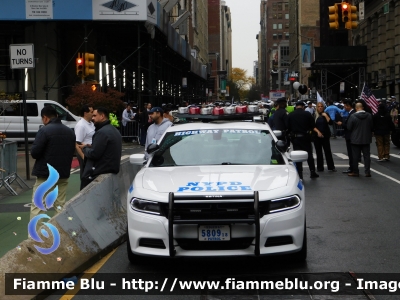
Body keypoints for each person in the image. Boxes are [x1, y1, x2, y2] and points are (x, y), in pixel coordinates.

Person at [30, 106, 75, 220]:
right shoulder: (69, 131)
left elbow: (35, 152)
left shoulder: (44, 131)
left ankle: (36, 236)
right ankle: (59, 233)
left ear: (45, 118)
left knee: (38, 205)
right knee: (60, 206)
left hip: (46, 174)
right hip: (63, 174)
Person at [78, 107, 122, 189]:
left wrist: (84, 149)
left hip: (98, 173)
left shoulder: (102, 132)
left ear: (102, 116)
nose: (92, 118)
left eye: (95, 115)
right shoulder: (114, 131)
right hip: (109, 172)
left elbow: (94, 154)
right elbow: (106, 149)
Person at [287, 101, 320, 179]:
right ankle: (312, 171)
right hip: (306, 137)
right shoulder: (307, 114)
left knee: (298, 156)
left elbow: (288, 127)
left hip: (295, 138)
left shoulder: (291, 115)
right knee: (309, 155)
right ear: (303, 107)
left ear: (296, 106)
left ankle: (300, 173)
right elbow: (312, 125)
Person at [346, 102, 374, 177]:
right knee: (367, 156)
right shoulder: (369, 116)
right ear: (363, 107)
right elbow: (371, 126)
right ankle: (367, 172)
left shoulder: (353, 116)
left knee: (355, 156)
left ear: (356, 108)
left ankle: (355, 171)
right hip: (366, 138)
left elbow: (349, 127)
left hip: (355, 139)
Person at [75, 105, 95, 185]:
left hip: (90, 151)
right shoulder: (81, 125)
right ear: (85, 113)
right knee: (85, 175)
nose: (93, 114)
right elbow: (77, 143)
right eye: (91, 112)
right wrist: (84, 158)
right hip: (84, 153)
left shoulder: (91, 123)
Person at [313, 102, 336, 172]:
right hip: (317, 135)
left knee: (327, 151)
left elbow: (331, 123)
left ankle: (331, 167)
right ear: (317, 107)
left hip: (325, 135)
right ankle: (320, 167)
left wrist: (326, 116)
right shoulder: (314, 115)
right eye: (319, 106)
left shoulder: (326, 114)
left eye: (321, 106)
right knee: (318, 152)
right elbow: (312, 126)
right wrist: (318, 132)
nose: (320, 107)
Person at [341, 100, 356, 174]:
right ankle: (352, 168)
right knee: (352, 153)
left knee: (351, 153)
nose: (344, 108)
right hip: (351, 136)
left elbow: (349, 126)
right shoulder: (351, 113)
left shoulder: (352, 114)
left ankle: (352, 168)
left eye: (345, 106)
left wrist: (342, 124)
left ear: (348, 106)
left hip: (350, 136)